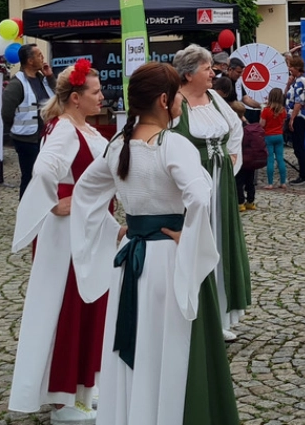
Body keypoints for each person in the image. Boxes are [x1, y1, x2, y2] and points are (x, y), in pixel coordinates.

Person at [70, 62, 239, 425]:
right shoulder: (171, 144)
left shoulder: (118, 145)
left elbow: (86, 192)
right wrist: (189, 237)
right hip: (167, 259)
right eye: (178, 94)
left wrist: (115, 228)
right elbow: (199, 194)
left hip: (131, 258)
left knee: (140, 344)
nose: (181, 101)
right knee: (173, 347)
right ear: (165, 100)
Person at [9, 58, 110, 422]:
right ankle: (62, 397)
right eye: (96, 92)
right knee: (66, 307)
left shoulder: (89, 131)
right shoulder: (65, 129)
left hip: (91, 230)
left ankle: (84, 387)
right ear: (75, 98)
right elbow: (44, 168)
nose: (102, 97)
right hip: (67, 235)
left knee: (91, 304)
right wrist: (54, 202)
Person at [170, 45, 250, 341]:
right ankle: (197, 315)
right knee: (197, 244)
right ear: (189, 74)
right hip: (194, 186)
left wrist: (232, 156)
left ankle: (220, 315)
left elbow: (236, 128)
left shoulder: (215, 98)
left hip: (222, 183)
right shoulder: (175, 104)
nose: (213, 74)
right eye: (207, 69)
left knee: (220, 243)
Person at [6, 45, 55, 197]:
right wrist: (14, 133)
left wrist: (50, 76)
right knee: (30, 176)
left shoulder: (43, 79)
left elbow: (59, 97)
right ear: (30, 61)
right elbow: (6, 112)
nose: (43, 58)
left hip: (44, 137)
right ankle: (25, 211)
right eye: (39, 55)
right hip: (27, 139)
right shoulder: (17, 83)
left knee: (45, 176)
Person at [284, 56, 305, 184]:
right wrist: (289, 84)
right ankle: (304, 173)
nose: (289, 69)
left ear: (296, 68)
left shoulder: (301, 81)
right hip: (299, 116)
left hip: (299, 117)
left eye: (290, 66)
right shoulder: (298, 80)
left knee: (299, 146)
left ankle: (304, 174)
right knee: (298, 145)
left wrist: (292, 119)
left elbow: (298, 102)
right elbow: (286, 95)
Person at [260, 88, 288, 188]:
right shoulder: (283, 111)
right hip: (279, 136)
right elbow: (283, 123)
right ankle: (283, 182)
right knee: (280, 159)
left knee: (270, 159)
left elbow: (262, 124)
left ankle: (270, 183)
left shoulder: (266, 111)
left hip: (268, 136)